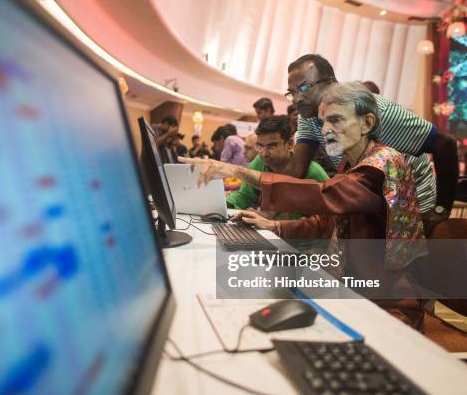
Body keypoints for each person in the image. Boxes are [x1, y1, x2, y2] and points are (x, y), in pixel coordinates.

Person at [180, 83, 427, 328]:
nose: (327, 129)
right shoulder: (353, 162)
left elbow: (323, 195)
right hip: (353, 290)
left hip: (388, 305)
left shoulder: (382, 165)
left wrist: (238, 171)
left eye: (336, 120)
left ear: (367, 123)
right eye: (323, 122)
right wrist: (274, 224)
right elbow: (331, 221)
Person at [282, 54, 458, 233]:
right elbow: (297, 168)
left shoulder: (378, 110)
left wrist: (441, 210)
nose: (297, 99)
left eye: (304, 88)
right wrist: (266, 211)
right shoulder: (309, 114)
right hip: (370, 200)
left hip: (413, 202)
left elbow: (445, 144)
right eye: (292, 92)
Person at [226, 116, 328, 216]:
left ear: (289, 144)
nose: (264, 153)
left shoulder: (312, 172)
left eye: (272, 146)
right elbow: (246, 196)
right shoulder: (259, 162)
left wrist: (270, 221)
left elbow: (324, 219)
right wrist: (226, 204)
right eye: (260, 146)